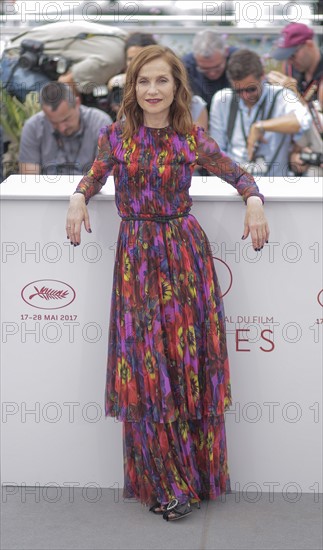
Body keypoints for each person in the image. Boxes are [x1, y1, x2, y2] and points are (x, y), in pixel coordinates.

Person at [65, 45, 269, 521]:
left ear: (177, 87)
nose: (152, 90)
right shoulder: (116, 137)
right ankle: (167, 481)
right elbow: (93, 178)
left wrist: (254, 200)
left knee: (184, 368)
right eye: (143, 81)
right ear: (131, 88)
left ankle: (190, 481)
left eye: (162, 81)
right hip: (137, 260)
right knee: (146, 373)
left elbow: (238, 175)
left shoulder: (190, 138)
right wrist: (78, 198)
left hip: (185, 259)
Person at [209, 49, 311, 177]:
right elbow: (215, 153)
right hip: (234, 183)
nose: (245, 96)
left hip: (274, 183)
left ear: (263, 76)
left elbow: (303, 120)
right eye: (239, 91)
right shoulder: (222, 99)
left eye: (251, 89)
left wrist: (260, 126)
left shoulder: (280, 95)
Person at [107, 31, 209, 129]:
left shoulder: (198, 136)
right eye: (143, 81)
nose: (137, 63)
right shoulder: (111, 136)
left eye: (162, 81)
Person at [19, 82, 113, 176]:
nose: (61, 128)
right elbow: (29, 180)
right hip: (47, 189)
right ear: (44, 112)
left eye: (66, 119)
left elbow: (108, 176)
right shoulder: (33, 128)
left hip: (91, 189)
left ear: (77, 103)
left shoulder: (100, 123)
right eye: (54, 122)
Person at [182, 30, 236, 113]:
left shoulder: (238, 60)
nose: (212, 73)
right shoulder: (185, 67)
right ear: (195, 57)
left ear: (226, 52)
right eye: (204, 68)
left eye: (217, 67)